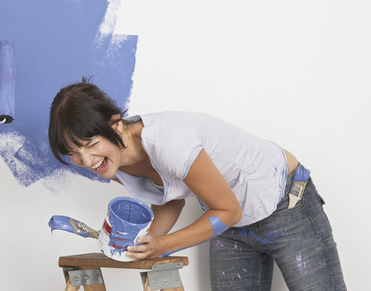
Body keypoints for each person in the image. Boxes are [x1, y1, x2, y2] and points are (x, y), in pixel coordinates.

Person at [49, 78, 347, 290]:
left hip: (285, 203)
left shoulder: (169, 143)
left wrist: (162, 245)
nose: (87, 161)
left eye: (90, 145)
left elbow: (227, 210)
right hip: (230, 225)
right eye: (73, 153)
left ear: (115, 125)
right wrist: (142, 245)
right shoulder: (113, 162)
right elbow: (172, 198)